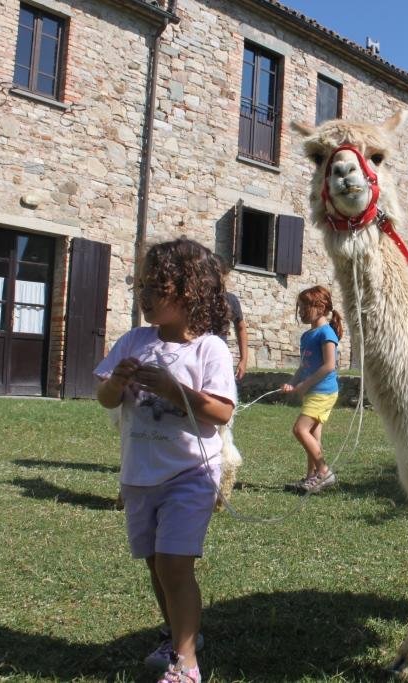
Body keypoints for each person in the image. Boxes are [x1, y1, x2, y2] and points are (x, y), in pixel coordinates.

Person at [95, 237, 236, 683]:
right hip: (140, 475)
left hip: (190, 472)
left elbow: (220, 412)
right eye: (142, 286)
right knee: (156, 564)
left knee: (175, 562)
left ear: (189, 292)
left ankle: (187, 663)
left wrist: (174, 389)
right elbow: (103, 398)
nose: (145, 296)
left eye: (157, 286)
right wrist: (116, 382)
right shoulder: (133, 340)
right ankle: (177, 633)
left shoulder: (208, 348)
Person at [281, 285, 343, 494]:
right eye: (299, 308)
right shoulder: (307, 336)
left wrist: (305, 385)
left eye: (303, 307)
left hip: (323, 392)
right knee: (312, 436)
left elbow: (329, 365)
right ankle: (311, 478)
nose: (300, 312)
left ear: (320, 306)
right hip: (313, 392)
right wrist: (293, 382)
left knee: (300, 430)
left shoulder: (326, 333)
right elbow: (304, 366)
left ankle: (324, 471)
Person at [224, 291, 248, 380]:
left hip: (218, 360)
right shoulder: (196, 297)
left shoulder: (230, 299)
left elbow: (241, 328)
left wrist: (244, 360)